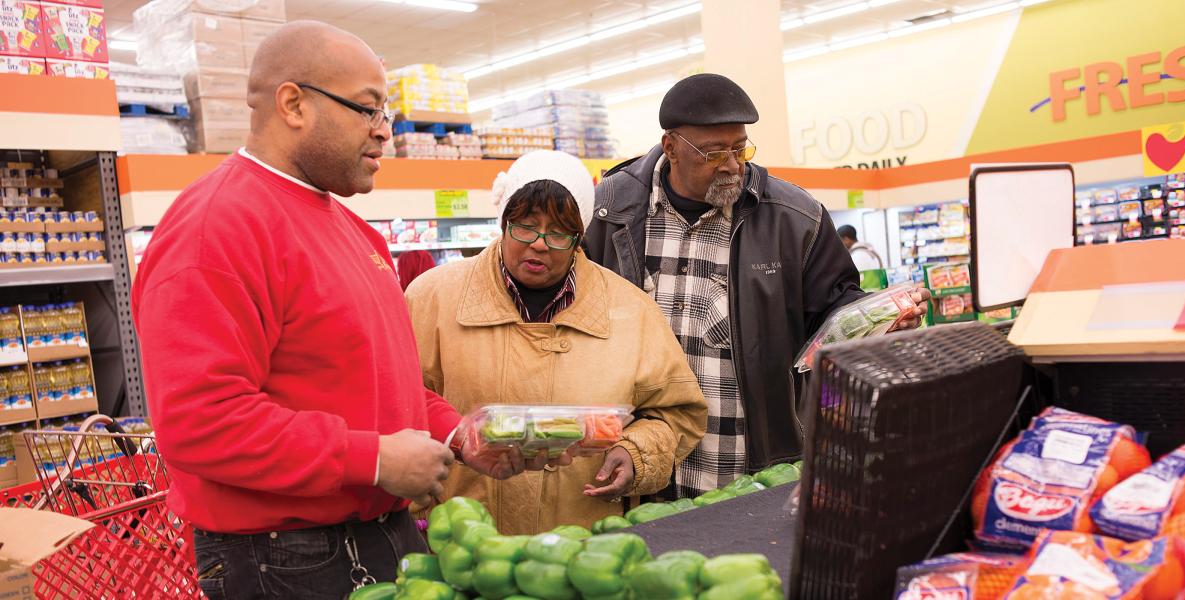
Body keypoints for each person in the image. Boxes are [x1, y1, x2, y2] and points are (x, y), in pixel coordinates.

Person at [132, 22, 543, 600]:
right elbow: (200, 421)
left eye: (388, 115)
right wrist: (373, 460)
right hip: (283, 557)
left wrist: (458, 433)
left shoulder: (352, 230)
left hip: (380, 534)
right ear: (293, 104)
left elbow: (376, 385)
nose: (385, 134)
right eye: (367, 110)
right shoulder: (216, 227)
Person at [586, 73, 931, 497]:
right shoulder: (612, 209)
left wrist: (879, 319)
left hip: (750, 468)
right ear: (671, 147)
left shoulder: (795, 218)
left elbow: (835, 309)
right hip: (640, 465)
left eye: (739, 147)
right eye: (713, 153)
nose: (732, 164)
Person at [405, 150, 707, 534]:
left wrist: (633, 454)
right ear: (503, 223)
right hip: (463, 539)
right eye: (525, 226)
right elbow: (399, 403)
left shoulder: (631, 311)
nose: (539, 244)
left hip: (585, 544)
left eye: (559, 232)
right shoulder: (432, 298)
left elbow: (677, 414)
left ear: (579, 237)